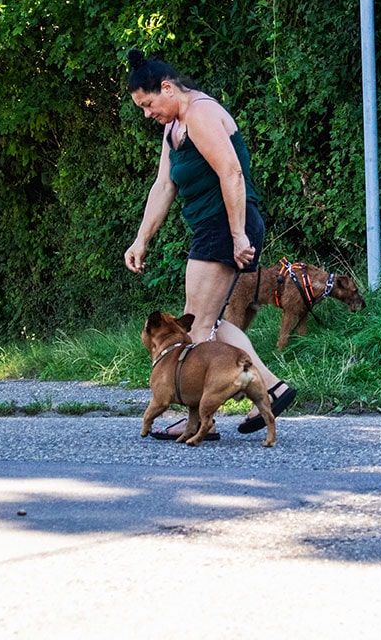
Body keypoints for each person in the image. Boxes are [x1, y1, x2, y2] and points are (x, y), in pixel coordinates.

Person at [123, 48, 296, 436]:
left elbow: (231, 173)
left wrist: (237, 234)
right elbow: (163, 186)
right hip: (213, 226)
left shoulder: (200, 113)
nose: (148, 114)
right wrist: (141, 239)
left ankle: (201, 421)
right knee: (211, 322)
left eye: (148, 104)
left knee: (195, 325)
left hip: (225, 224)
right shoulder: (174, 128)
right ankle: (272, 388)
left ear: (167, 88)